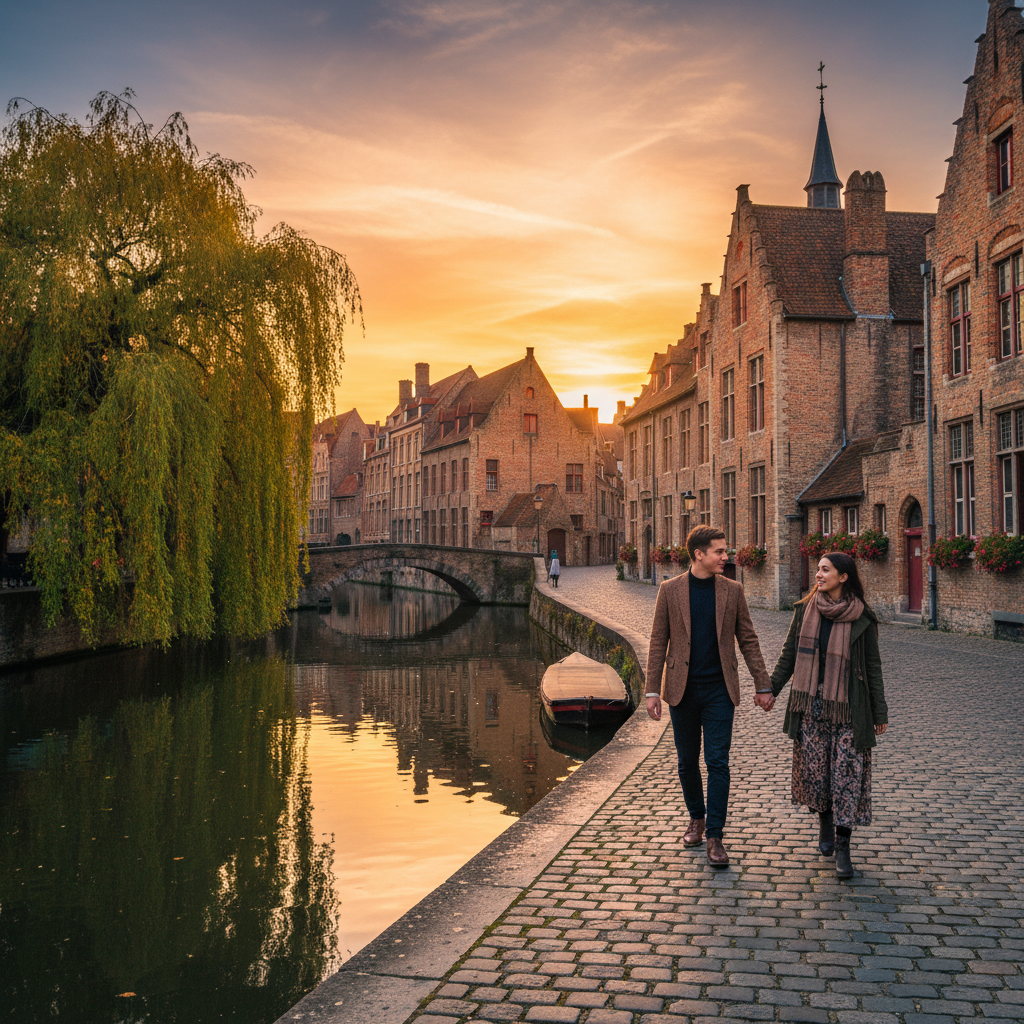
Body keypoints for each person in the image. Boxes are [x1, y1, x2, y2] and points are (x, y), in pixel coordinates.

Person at [757, 551, 888, 880]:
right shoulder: (805, 610)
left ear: (843, 577)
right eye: (817, 569)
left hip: (849, 707)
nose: (818, 574)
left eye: (825, 570)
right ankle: (825, 820)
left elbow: (873, 667)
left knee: (847, 775)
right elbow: (789, 655)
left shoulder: (862, 617)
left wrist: (879, 711)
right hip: (812, 707)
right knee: (817, 775)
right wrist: (769, 688)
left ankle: (843, 846)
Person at [645, 525, 771, 868]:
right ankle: (696, 818)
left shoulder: (733, 590)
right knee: (687, 762)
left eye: (725, 551)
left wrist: (763, 684)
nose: (725, 556)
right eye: (719, 551)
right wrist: (652, 691)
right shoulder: (670, 590)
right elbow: (658, 641)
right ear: (698, 554)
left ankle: (715, 835)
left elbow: (748, 639)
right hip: (681, 690)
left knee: (718, 762)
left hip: (719, 689)